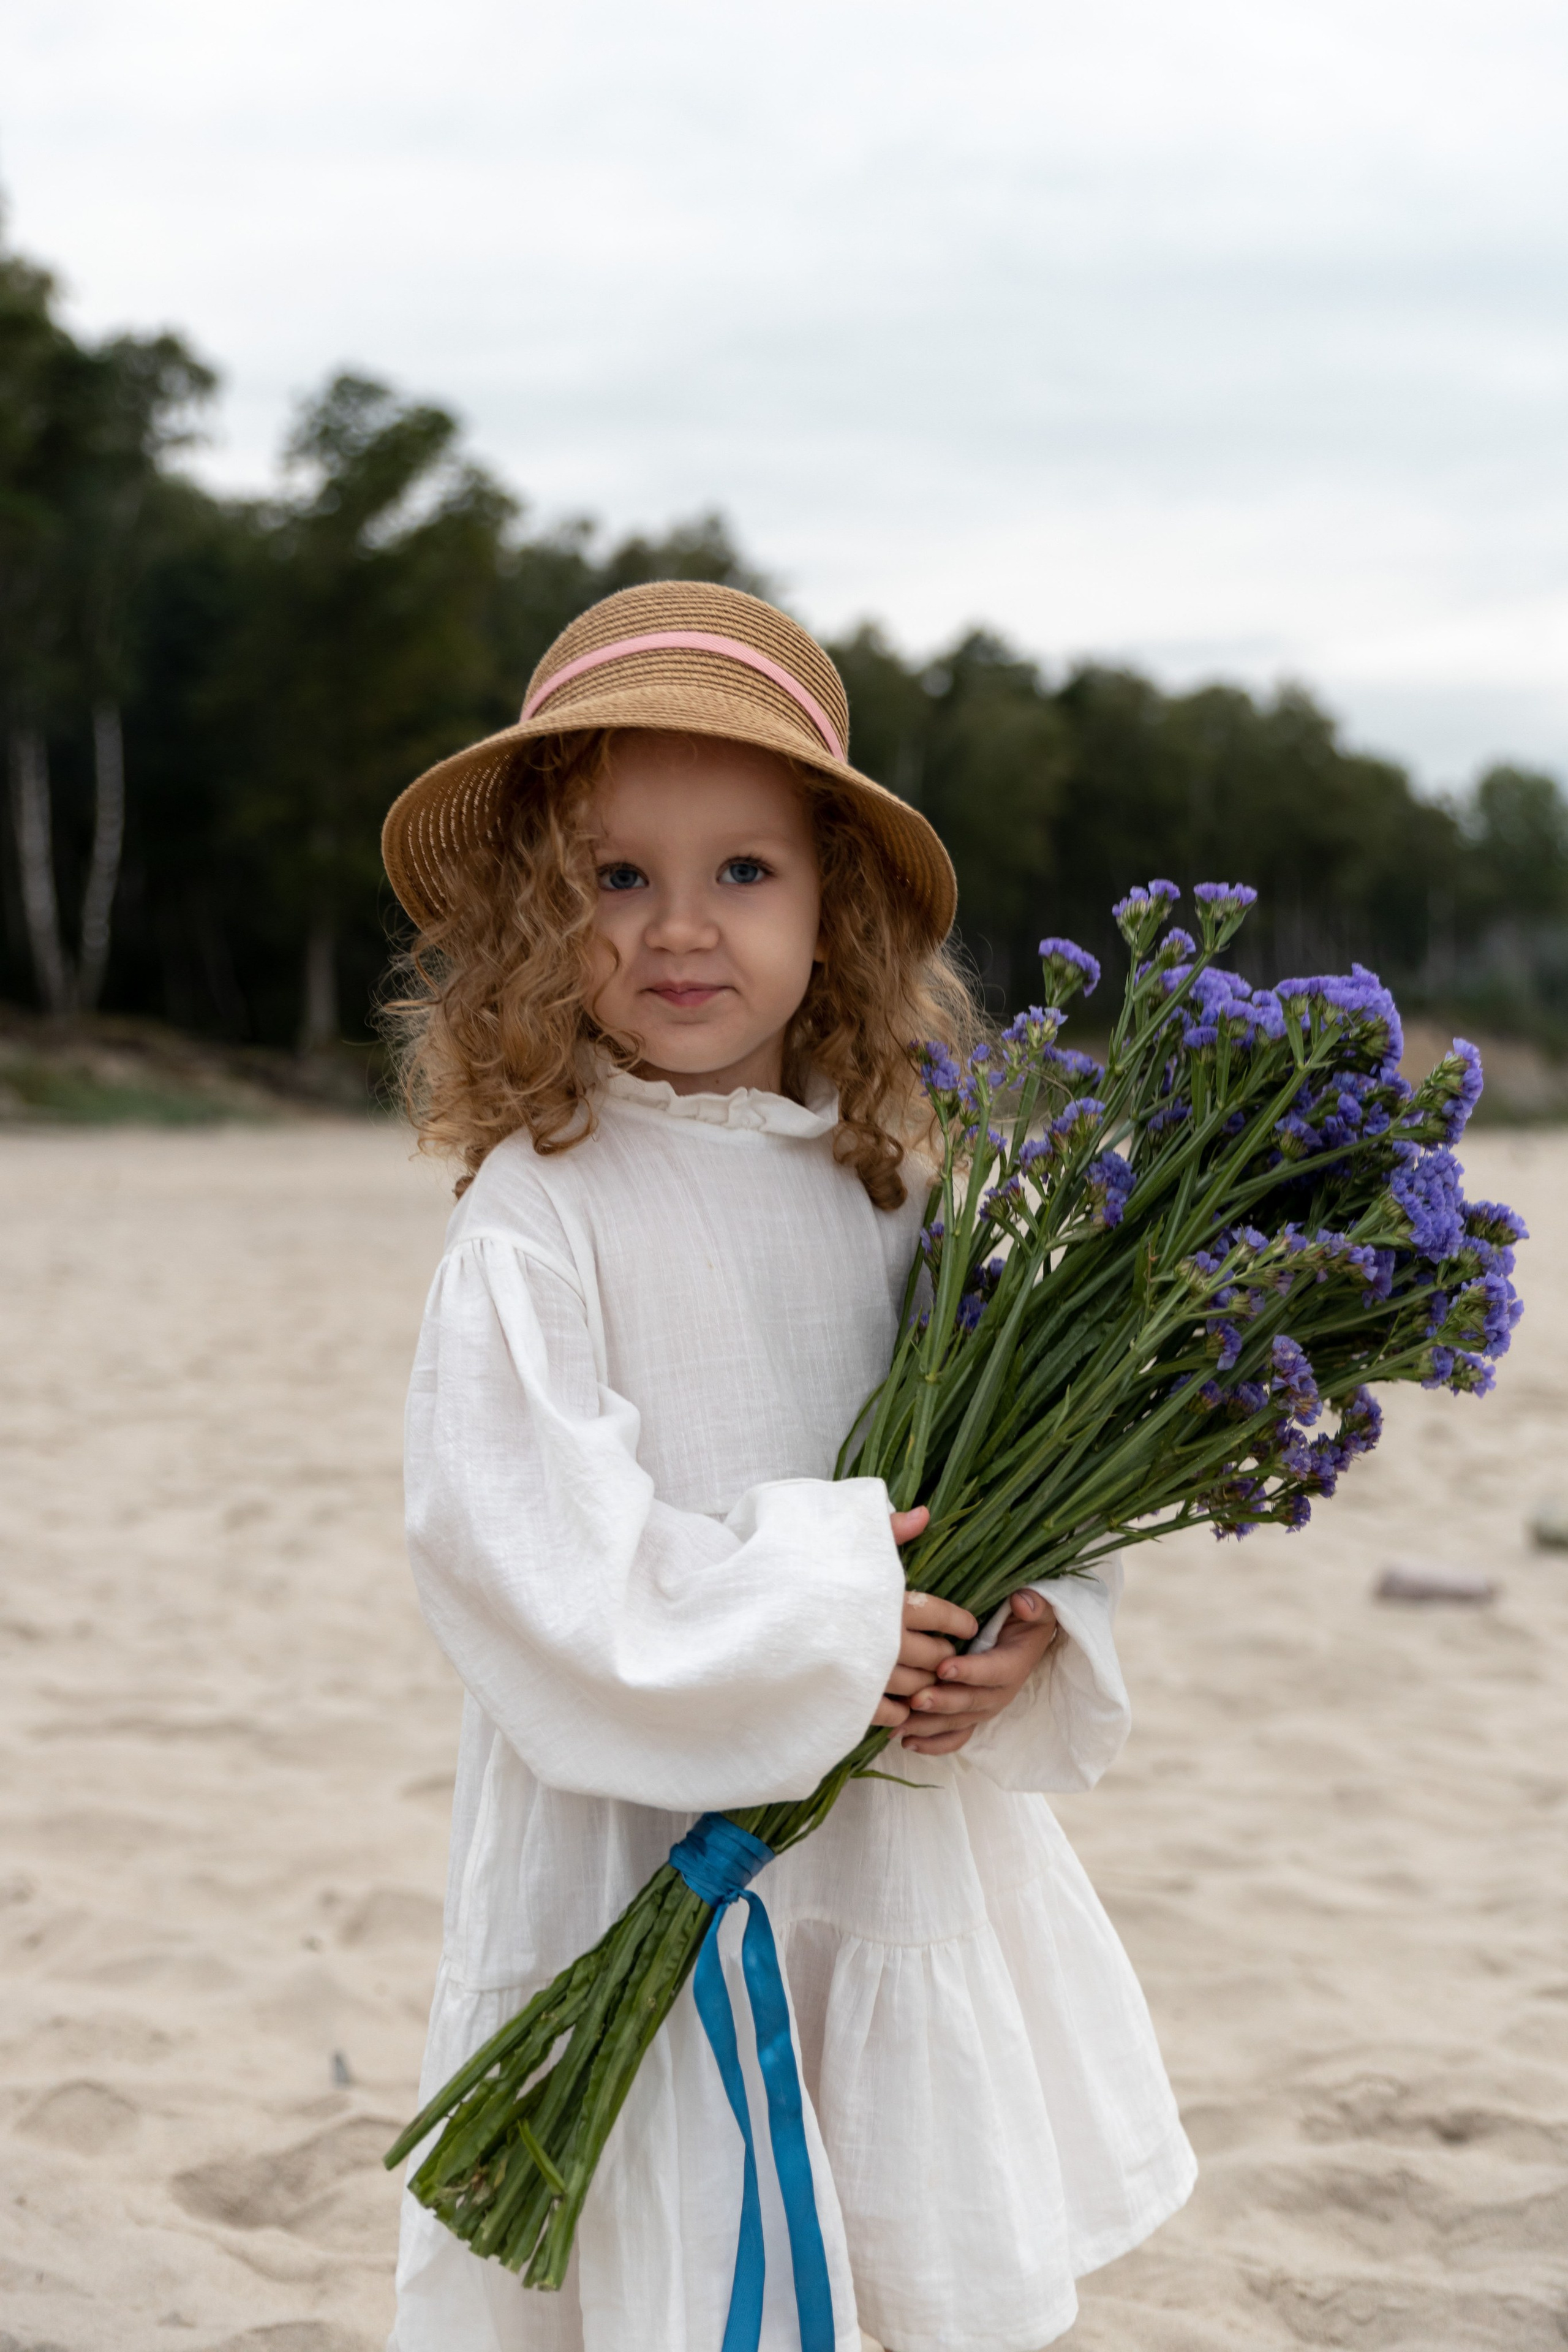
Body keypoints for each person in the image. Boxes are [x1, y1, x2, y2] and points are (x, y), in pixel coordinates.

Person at [380, 582, 1195, 2352]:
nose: (683, 928)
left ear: (837, 908)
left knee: (896, 2235)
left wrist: (1034, 1616)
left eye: (744, 871)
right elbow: (523, 1546)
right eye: (615, 877)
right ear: (536, 914)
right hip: (638, 1832)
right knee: (656, 2262)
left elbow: (1020, 1458)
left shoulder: (899, 1190)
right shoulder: (543, 1212)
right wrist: (831, 1612)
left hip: (884, 1836)